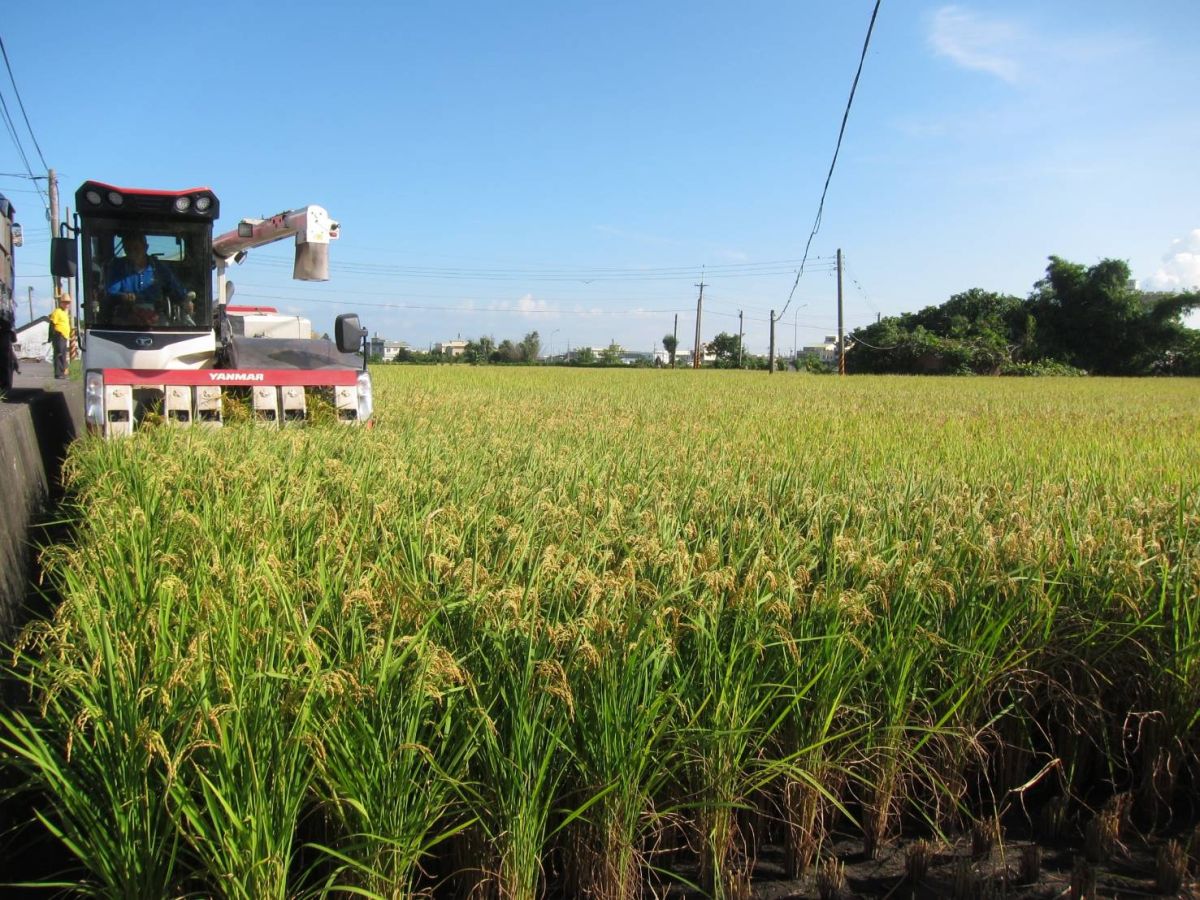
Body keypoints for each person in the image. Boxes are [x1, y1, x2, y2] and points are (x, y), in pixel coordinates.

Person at [105, 232, 188, 326]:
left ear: (146, 247)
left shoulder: (159, 268)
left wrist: (186, 301)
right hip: (126, 317)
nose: (132, 253)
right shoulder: (118, 267)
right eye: (128, 249)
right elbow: (111, 292)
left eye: (136, 248)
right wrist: (123, 296)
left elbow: (177, 289)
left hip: (156, 318)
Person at [49, 292, 72, 379]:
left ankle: (62, 372)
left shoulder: (65, 313)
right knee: (59, 354)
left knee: (62, 354)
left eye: (68, 303)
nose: (67, 304)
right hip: (59, 335)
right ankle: (59, 373)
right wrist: (51, 336)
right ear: (61, 302)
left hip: (64, 336)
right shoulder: (57, 312)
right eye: (65, 302)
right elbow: (52, 324)